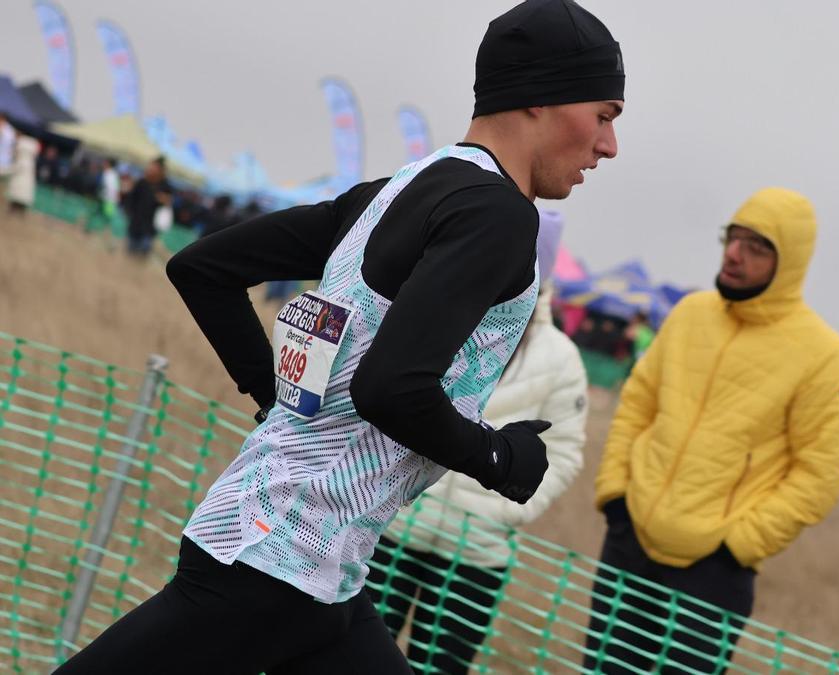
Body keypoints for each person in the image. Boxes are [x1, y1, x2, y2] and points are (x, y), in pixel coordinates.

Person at [54, 1, 624, 673]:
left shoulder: (402, 188)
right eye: (604, 116)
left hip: (316, 568)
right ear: (540, 96)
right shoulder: (498, 215)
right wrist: (499, 457)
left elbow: (203, 268)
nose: (609, 146)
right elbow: (391, 387)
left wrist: (288, 409)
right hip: (272, 566)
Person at [588, 188, 839, 674]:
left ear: (790, 262)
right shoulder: (691, 313)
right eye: (733, 238)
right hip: (629, 541)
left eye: (757, 246)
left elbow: (819, 477)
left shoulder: (824, 355)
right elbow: (637, 402)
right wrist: (616, 496)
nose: (735, 254)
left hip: (711, 574)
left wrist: (738, 546)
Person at [367, 212, 588, 674]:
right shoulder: (440, 309)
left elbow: (566, 450)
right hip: (390, 530)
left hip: (476, 555)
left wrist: (508, 511)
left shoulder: (561, 359)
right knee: (346, 660)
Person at [121, 156, 172, 256]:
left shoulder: (165, 186)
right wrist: (128, 212)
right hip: (135, 224)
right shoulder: (142, 182)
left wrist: (163, 199)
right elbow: (131, 199)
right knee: (130, 254)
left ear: (160, 170)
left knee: (142, 255)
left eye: (154, 167)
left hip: (150, 227)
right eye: (151, 166)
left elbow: (168, 202)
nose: (150, 168)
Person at [6, 133, 38, 214]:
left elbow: (13, 169)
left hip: (19, 191)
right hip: (21, 191)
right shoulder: (30, 162)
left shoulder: (23, 160)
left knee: (16, 202)